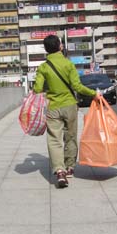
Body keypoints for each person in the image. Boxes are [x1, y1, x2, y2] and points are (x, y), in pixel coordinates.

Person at [33, 34, 100, 188]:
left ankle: (59, 171)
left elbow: (37, 89)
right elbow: (77, 87)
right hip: (70, 105)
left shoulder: (43, 67)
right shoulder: (68, 64)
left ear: (46, 49)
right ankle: (69, 167)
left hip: (53, 107)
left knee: (54, 140)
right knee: (70, 137)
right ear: (60, 47)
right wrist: (93, 94)